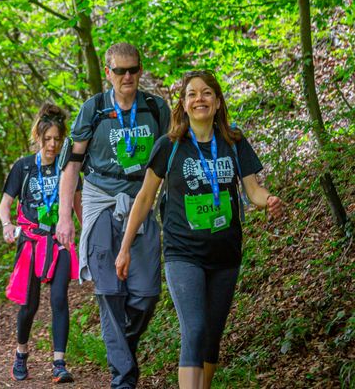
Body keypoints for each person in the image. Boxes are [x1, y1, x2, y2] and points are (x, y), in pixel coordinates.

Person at [115, 70, 284, 389]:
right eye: (192, 94)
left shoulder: (234, 142)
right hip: (183, 254)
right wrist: (124, 248)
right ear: (183, 103)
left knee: (211, 337)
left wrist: (269, 200)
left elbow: (253, 190)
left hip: (226, 256)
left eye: (207, 93)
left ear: (218, 102)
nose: (200, 99)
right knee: (193, 331)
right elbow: (145, 198)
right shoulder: (170, 145)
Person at [56, 42, 171, 389]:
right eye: (119, 71)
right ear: (108, 73)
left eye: (132, 70)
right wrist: (65, 217)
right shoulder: (93, 109)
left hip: (141, 199)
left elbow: (171, 153)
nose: (127, 77)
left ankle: (122, 348)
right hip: (100, 198)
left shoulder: (155, 108)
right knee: (109, 291)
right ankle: (124, 379)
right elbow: (71, 165)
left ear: (140, 70)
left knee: (147, 293)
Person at [0, 103, 80, 383]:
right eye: (48, 139)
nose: (53, 145)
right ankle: (21, 353)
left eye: (58, 139)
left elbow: (79, 205)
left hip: (59, 240)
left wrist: (87, 235)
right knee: (30, 305)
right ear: (38, 136)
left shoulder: (68, 168)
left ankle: (59, 362)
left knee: (59, 299)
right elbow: (5, 204)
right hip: (31, 242)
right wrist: (7, 224)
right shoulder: (23, 167)